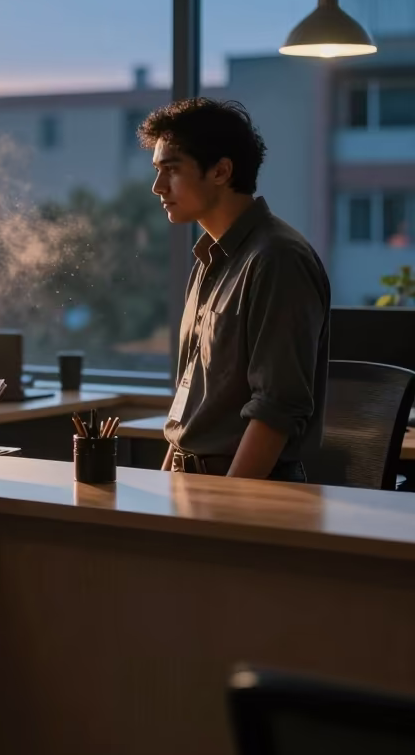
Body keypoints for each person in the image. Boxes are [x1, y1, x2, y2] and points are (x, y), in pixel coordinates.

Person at [137, 98, 330, 482]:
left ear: (221, 171)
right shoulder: (209, 260)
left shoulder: (277, 258)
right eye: (157, 171)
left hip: (244, 492)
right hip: (189, 484)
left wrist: (229, 513)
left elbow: (277, 409)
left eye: (171, 170)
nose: (158, 187)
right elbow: (190, 410)